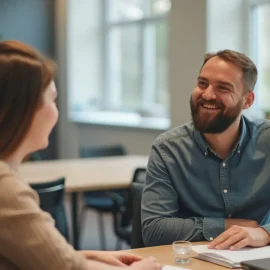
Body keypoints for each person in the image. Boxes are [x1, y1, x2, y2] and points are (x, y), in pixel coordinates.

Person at [0, 40, 161, 270]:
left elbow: (42, 255)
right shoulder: (6, 190)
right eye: (53, 100)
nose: (56, 112)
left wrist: (89, 256)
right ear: (25, 110)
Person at [141, 49, 270, 250]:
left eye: (223, 88)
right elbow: (155, 229)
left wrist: (264, 232)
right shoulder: (168, 149)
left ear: (247, 101)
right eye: (203, 83)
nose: (207, 94)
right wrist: (225, 226)